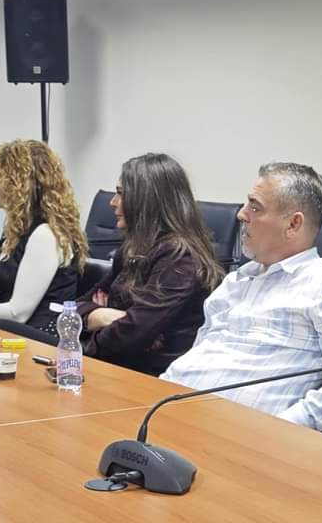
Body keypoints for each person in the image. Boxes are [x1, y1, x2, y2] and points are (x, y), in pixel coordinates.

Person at [162, 162, 322, 431]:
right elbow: (202, 352)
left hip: (240, 435)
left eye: (255, 207)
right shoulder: (237, 281)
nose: (241, 214)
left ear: (293, 224)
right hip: (169, 409)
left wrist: (288, 426)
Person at [73, 153, 224, 375]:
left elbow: (133, 333)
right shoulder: (134, 248)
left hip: (150, 376)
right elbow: (74, 308)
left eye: (121, 193)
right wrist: (100, 315)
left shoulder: (179, 257)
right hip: (114, 364)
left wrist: (84, 343)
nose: (113, 202)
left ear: (147, 200)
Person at [0, 139, 86, 334]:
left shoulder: (45, 235)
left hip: (39, 338)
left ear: (21, 185)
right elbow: (4, 299)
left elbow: (18, 313)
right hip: (14, 332)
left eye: (1, 178)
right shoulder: (20, 230)